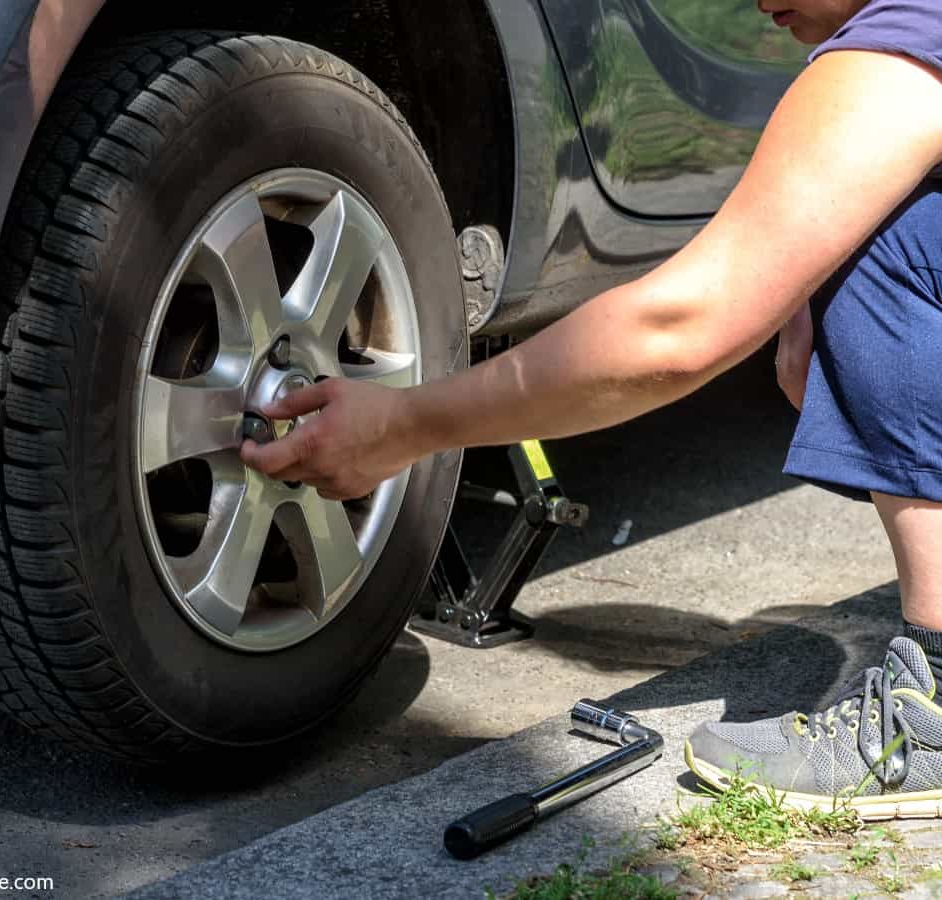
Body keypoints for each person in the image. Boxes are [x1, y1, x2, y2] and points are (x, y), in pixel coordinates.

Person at [242, 0, 942, 815]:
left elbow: (680, 326)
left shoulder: (909, 41)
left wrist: (405, 425)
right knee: (849, 228)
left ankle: (930, 716)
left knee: (880, 237)